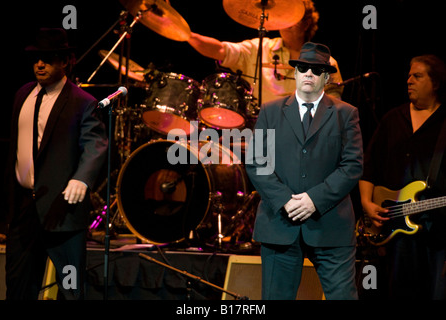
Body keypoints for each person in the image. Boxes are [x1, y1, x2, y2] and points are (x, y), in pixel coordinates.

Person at [245, 42, 363, 300]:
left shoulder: (346, 114)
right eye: (303, 68)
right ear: (295, 73)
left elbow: (352, 165)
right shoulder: (270, 110)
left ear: (326, 76)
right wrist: (285, 200)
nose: (309, 73)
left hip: (331, 227)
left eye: (316, 69)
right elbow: (257, 162)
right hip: (280, 225)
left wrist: (314, 200)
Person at [4, 28, 108, 300]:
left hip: (62, 211)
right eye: (37, 58)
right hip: (24, 210)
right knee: (18, 285)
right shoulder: (23, 94)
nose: (40, 64)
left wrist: (82, 178)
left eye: (48, 58)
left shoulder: (83, 102)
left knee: (71, 289)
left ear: (65, 61)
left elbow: (96, 144)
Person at [359, 54, 446, 300]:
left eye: (417, 76)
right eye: (408, 75)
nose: (409, 81)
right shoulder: (393, 119)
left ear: (435, 83)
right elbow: (369, 166)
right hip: (396, 235)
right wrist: (367, 203)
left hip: (437, 232)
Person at [187, 0, 343, 104]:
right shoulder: (259, 48)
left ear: (306, 23)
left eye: (293, 17)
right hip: (260, 134)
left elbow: (332, 112)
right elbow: (220, 49)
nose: (287, 22)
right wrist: (185, 34)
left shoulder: (327, 63)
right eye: (284, 16)